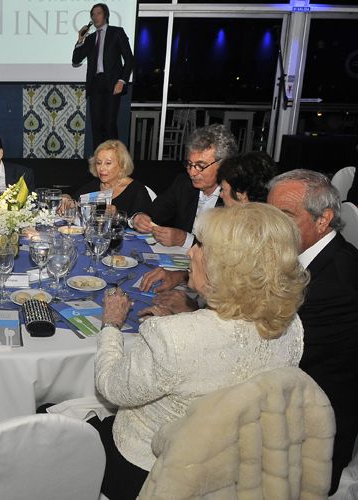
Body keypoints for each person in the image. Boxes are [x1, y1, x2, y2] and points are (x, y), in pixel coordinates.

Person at [94, 203, 308, 499]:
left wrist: (111, 326)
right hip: (233, 472)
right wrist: (189, 320)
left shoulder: (172, 338)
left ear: (225, 268)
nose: (191, 253)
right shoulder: (292, 327)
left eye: (201, 246)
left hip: (150, 471)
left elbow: (110, 387)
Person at [267, 169, 358, 494]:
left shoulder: (338, 283)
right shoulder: (300, 257)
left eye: (285, 215)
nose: (273, 225)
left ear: (324, 220)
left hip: (308, 441)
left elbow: (275, 354)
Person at [139, 149, 276, 294]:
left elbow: (231, 292)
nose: (221, 195)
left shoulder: (251, 236)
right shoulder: (259, 222)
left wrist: (190, 305)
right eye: (190, 165)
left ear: (242, 195)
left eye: (223, 189)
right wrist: (179, 276)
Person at [131, 124, 237, 247]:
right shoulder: (184, 184)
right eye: (189, 164)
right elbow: (154, 212)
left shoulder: (233, 196)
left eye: (200, 166)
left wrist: (185, 240)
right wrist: (138, 218)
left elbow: (228, 247)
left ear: (223, 165)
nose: (192, 172)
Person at [72, 3, 134, 147]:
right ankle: (97, 164)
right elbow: (76, 60)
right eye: (93, 14)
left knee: (109, 124)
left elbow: (129, 59)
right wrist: (80, 39)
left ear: (105, 15)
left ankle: (115, 163)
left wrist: (122, 80)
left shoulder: (117, 32)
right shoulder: (90, 38)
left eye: (98, 13)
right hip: (95, 84)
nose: (95, 17)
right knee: (97, 127)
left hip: (113, 83)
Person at [67, 139, 151, 215]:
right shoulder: (93, 185)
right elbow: (74, 202)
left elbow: (145, 224)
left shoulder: (137, 190)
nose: (102, 168)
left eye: (108, 163)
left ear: (121, 164)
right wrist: (66, 198)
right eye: (98, 163)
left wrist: (117, 215)